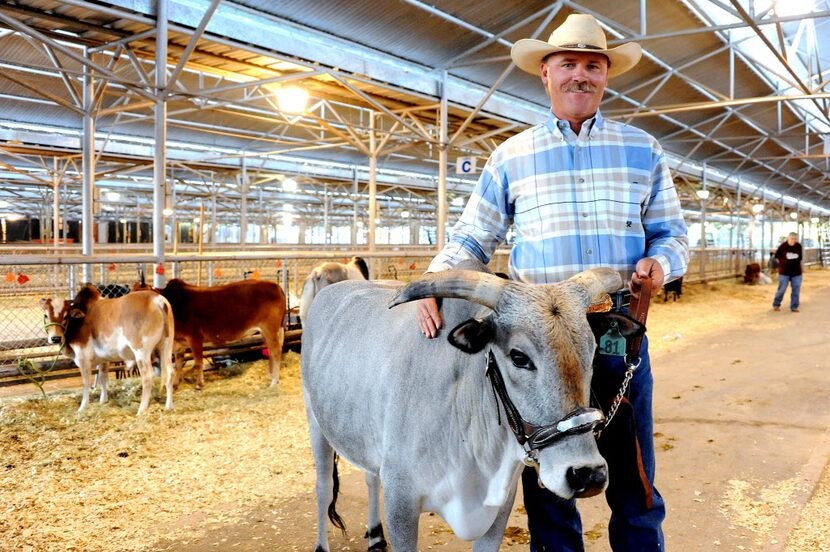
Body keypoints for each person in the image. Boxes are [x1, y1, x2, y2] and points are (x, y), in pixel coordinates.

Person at [415, 13, 689, 552]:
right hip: (536, 347)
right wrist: (434, 282)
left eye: (593, 65)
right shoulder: (511, 155)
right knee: (550, 487)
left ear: (606, 75)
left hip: (614, 334)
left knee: (634, 478)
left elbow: (670, 234)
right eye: (568, 64)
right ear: (545, 73)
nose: (579, 76)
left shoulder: (644, 150)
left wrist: (662, 264)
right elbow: (475, 235)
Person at [772, 232, 802, 312]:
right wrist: (781, 264)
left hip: (796, 272)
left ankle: (794, 307)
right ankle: (776, 304)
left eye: (795, 239)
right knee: (782, 289)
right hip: (784, 272)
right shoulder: (783, 246)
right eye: (792, 239)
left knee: (796, 289)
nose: (793, 241)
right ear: (788, 238)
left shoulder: (798, 246)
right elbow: (777, 256)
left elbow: (800, 258)